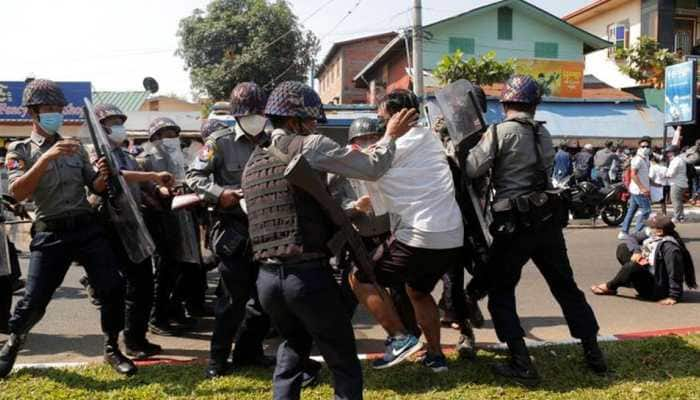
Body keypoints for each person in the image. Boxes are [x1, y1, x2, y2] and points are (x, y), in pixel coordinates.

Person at [242, 81, 415, 400]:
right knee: (342, 359)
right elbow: (372, 167)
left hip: (266, 281)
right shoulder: (311, 145)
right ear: (294, 121)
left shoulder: (254, 162)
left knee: (292, 347)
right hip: (306, 277)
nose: (313, 128)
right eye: (310, 121)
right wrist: (390, 135)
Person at [466, 75, 607, 385]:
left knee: (501, 293)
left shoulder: (498, 132)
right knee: (566, 288)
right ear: (534, 104)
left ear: (505, 104)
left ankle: (521, 363)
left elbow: (473, 168)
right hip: (546, 220)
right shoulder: (543, 132)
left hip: (512, 225)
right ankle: (594, 353)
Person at [0, 79, 136, 378]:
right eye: (49, 109)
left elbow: (96, 187)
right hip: (51, 232)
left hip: (87, 227)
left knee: (113, 287)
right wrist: (46, 158)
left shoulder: (75, 148)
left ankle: (113, 348)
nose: (55, 114)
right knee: (34, 299)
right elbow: (19, 193)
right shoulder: (19, 150)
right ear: (32, 113)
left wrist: (102, 174)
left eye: (59, 109)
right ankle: (13, 342)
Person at [349, 90, 464, 373]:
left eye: (382, 120)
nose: (379, 128)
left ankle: (399, 338)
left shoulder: (393, 148)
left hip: (420, 235)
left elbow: (370, 172)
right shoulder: (431, 140)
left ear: (398, 118)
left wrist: (388, 136)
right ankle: (436, 357)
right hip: (451, 237)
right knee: (418, 291)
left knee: (360, 278)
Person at [186, 82, 274, 378]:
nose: (256, 118)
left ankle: (250, 352)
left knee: (266, 299)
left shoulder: (275, 140)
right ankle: (218, 359)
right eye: (249, 113)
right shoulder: (219, 143)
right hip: (233, 231)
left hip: (270, 231)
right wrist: (218, 192)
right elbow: (193, 177)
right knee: (231, 301)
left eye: (260, 112)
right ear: (237, 115)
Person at [93, 103, 174, 359]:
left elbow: (144, 184)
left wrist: (160, 189)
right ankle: (118, 343)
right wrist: (152, 175)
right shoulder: (95, 155)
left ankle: (136, 338)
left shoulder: (127, 155)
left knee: (143, 284)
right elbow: (117, 177)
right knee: (121, 288)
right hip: (110, 228)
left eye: (120, 121)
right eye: (112, 122)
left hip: (134, 226)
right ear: (100, 128)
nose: (118, 127)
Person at [142, 117, 197, 336]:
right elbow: (142, 188)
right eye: (166, 134)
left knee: (185, 268)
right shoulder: (147, 160)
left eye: (174, 134)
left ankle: (175, 309)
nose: (172, 139)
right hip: (161, 219)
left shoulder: (181, 158)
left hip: (183, 215)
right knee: (164, 269)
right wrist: (158, 191)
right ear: (155, 138)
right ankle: (157, 317)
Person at [591, 214, 697, 304]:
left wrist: (674, 296)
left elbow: (674, 273)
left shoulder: (670, 247)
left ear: (659, 231)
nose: (648, 229)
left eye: (651, 227)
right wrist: (637, 251)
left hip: (656, 290)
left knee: (632, 266)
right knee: (623, 248)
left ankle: (610, 286)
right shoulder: (653, 236)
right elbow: (631, 237)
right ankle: (630, 279)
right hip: (648, 271)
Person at [620, 138, 653, 239]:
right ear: (639, 147)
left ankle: (624, 231)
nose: (645, 148)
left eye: (647, 146)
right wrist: (642, 188)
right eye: (643, 146)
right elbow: (633, 175)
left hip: (637, 189)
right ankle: (638, 232)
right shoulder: (637, 159)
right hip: (638, 190)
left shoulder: (645, 158)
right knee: (646, 210)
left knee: (631, 211)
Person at [665, 146, 688, 223]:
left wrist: (665, 174)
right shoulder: (679, 159)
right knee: (679, 201)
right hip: (681, 183)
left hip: (676, 183)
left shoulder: (675, 161)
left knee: (676, 201)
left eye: (668, 152)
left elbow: (670, 174)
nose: (667, 154)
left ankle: (676, 217)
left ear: (672, 152)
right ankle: (681, 217)